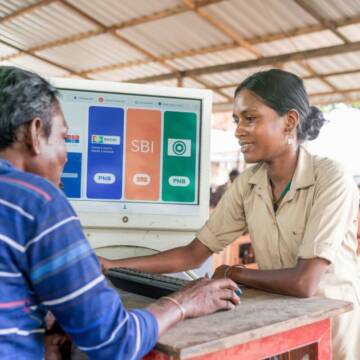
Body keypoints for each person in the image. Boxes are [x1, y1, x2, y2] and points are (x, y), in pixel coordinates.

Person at [99, 69, 360, 359]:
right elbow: (193, 253)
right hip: (282, 328)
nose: (238, 130)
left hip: (331, 334)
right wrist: (112, 264)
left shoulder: (331, 178)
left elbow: (304, 282)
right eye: (237, 120)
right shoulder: (248, 184)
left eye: (251, 118)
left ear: (289, 121)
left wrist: (233, 272)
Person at [0, 66, 240, 359]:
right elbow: (115, 341)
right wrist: (183, 303)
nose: (65, 155)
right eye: (63, 138)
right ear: (35, 132)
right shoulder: (38, 201)